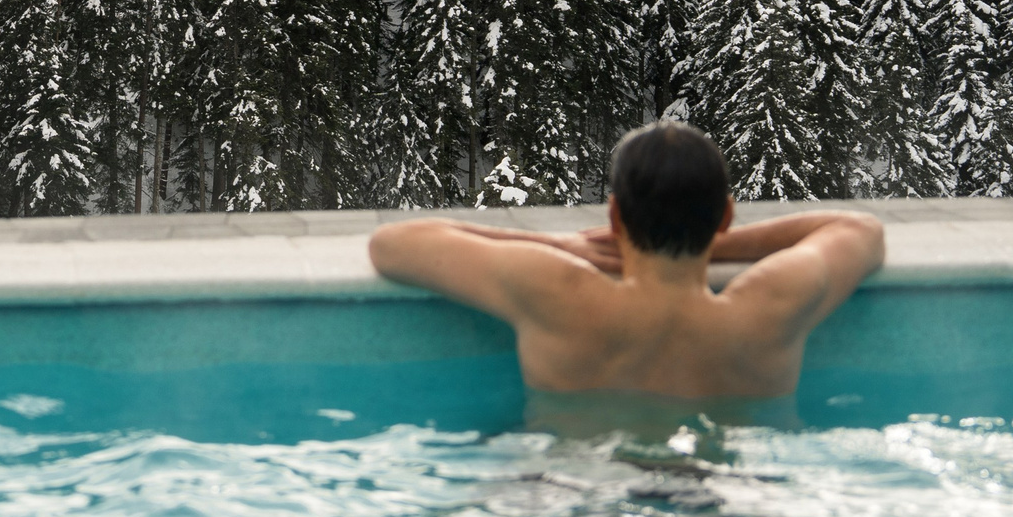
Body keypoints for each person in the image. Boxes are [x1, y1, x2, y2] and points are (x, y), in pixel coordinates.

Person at [368, 120, 884, 404]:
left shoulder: (555, 290)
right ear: (725, 216)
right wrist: (715, 241)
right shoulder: (773, 305)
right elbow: (859, 229)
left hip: (578, 495)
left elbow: (394, 244)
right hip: (722, 498)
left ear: (615, 218)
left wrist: (566, 247)